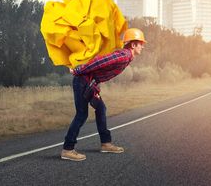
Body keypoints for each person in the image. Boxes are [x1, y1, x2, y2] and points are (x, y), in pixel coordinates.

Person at [60, 28, 147, 161]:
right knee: (82, 115)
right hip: (82, 80)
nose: (143, 46)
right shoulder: (124, 55)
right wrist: (79, 70)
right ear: (133, 45)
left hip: (89, 83)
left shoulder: (127, 57)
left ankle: (106, 143)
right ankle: (67, 149)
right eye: (141, 43)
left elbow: (100, 72)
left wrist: (95, 88)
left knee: (101, 109)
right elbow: (100, 61)